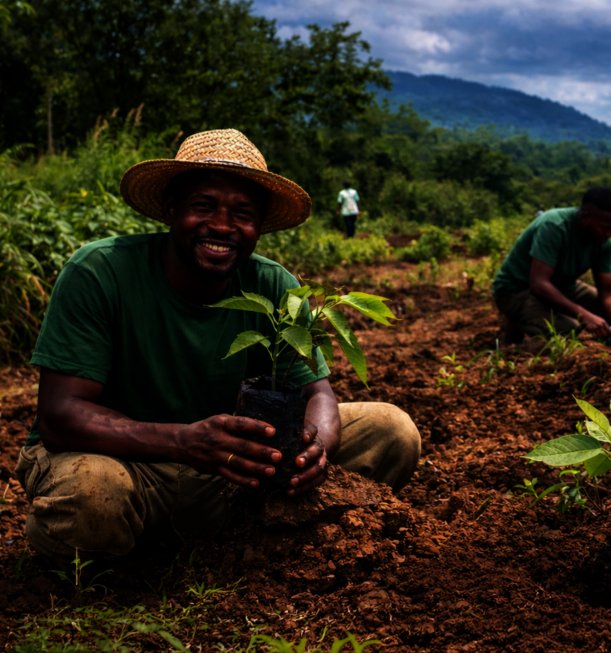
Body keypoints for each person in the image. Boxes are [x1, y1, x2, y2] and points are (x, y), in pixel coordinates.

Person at [17, 129, 421, 566]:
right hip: (129, 465)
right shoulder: (100, 272)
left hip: (232, 471)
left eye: (243, 213)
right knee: (93, 497)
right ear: (172, 208)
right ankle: (147, 552)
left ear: (260, 225)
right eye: (204, 206)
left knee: (391, 432)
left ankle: (235, 536)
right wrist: (185, 441)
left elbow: (317, 393)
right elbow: (60, 416)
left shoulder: (273, 285)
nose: (223, 227)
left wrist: (314, 449)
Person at [492, 187, 611, 347]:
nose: (610, 234)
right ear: (585, 217)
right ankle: (513, 348)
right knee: (569, 329)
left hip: (560, 287)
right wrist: (584, 316)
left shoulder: (603, 242)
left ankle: (529, 319)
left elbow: (607, 292)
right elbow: (538, 285)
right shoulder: (555, 225)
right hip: (516, 290)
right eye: (604, 228)